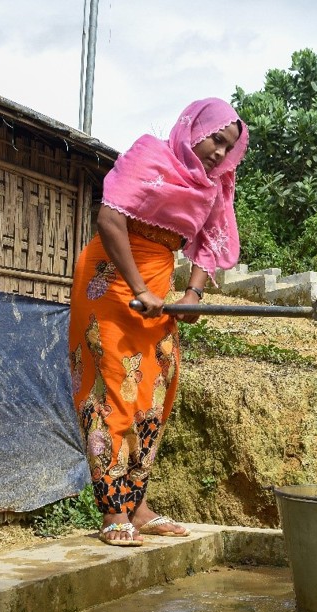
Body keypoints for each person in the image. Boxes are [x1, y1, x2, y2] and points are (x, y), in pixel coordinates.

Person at [68, 98, 248, 546]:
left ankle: (138, 504)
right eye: (215, 140)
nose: (219, 154)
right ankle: (113, 511)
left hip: (157, 287)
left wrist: (193, 294)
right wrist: (138, 289)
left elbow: (211, 240)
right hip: (110, 280)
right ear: (194, 127)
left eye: (228, 148)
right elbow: (109, 217)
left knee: (156, 390)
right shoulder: (150, 155)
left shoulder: (214, 185)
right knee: (112, 390)